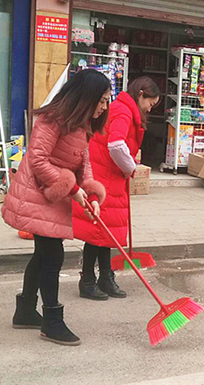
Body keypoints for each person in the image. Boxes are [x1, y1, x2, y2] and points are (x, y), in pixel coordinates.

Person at [2, 69, 111, 345]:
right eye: (101, 100)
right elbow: (37, 160)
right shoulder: (52, 119)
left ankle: (26, 310)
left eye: (107, 101)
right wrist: (72, 189)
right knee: (52, 256)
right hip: (38, 193)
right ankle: (52, 320)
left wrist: (92, 195)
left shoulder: (82, 123)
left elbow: (82, 164)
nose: (104, 107)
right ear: (86, 97)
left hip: (55, 195)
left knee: (43, 255)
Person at [72, 76, 161, 301]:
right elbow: (116, 144)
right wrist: (130, 167)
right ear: (141, 94)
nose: (150, 109)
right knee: (97, 231)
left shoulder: (124, 108)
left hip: (108, 175)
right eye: (150, 104)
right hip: (104, 177)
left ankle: (105, 277)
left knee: (105, 232)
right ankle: (88, 281)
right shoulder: (123, 110)